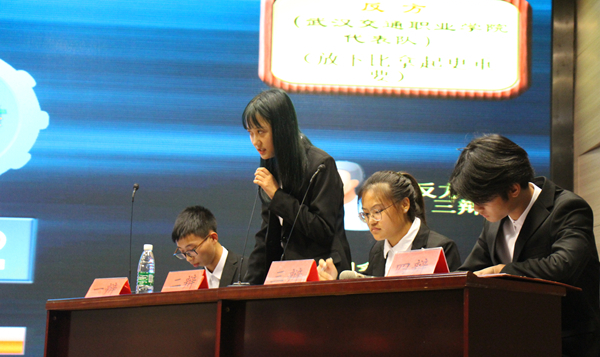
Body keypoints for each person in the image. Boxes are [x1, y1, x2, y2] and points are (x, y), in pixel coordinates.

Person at [449, 134, 600, 357]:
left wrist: (502, 271)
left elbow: (562, 267)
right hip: (513, 343)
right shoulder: (493, 222)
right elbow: (470, 271)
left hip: (565, 347)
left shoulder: (568, 208)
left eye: (481, 200)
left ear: (513, 188)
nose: (476, 209)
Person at [242, 88, 351, 285]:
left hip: (324, 274)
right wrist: (248, 285)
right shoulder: (270, 165)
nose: (255, 141)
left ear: (282, 128)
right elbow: (267, 235)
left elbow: (323, 230)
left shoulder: (320, 165)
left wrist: (277, 195)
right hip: (288, 275)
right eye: (251, 133)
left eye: (261, 132)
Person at [318, 170, 461, 280]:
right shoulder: (378, 251)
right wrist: (334, 281)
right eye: (366, 214)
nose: (371, 220)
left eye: (377, 211)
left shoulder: (440, 248)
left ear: (404, 205)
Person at [171, 205, 247, 288]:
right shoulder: (194, 282)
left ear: (213, 238)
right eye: (183, 252)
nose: (188, 259)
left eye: (191, 250)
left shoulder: (248, 270)